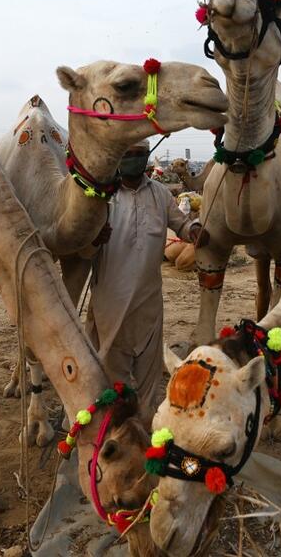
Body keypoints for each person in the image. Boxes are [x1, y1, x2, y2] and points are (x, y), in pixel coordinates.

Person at [83, 141, 207, 420]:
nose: (133, 160)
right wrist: (93, 240)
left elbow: (182, 224)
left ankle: (147, 428)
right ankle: (118, 428)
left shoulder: (161, 194)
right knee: (113, 376)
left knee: (149, 374)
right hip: (110, 302)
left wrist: (195, 229)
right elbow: (83, 248)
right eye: (127, 154)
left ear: (147, 157)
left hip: (149, 302)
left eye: (139, 154)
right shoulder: (103, 197)